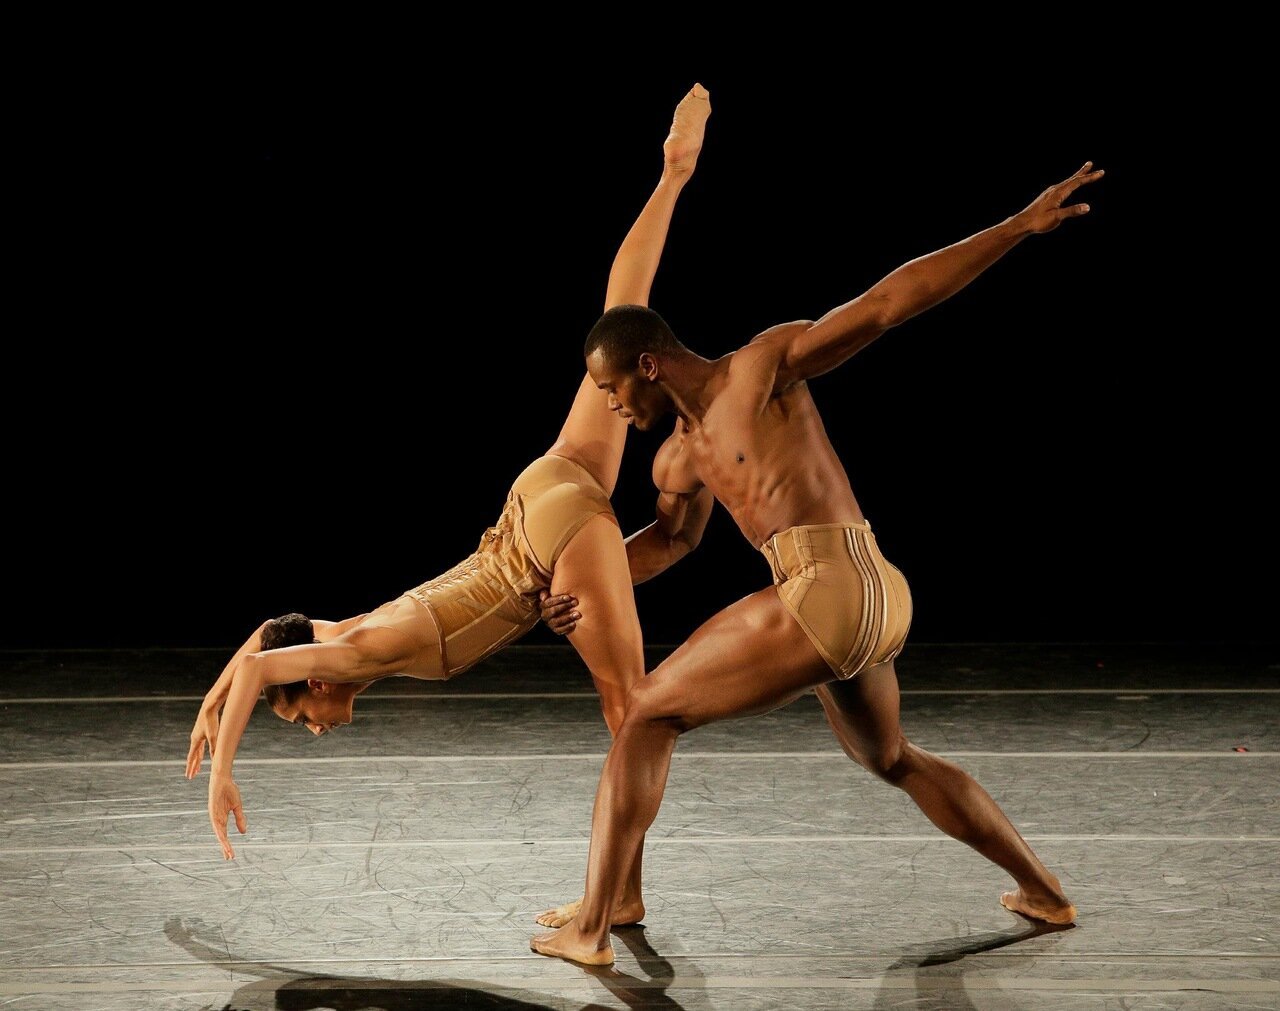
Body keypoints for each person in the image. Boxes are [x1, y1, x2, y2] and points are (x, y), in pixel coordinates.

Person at [530, 159, 1105, 965]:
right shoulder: (678, 460)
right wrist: (578, 586)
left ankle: (595, 924)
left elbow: (887, 303)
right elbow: (669, 542)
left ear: (648, 363)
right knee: (891, 756)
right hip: (870, 598)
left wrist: (1015, 227)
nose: (612, 405)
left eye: (612, 388)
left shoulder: (760, 369)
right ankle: (1046, 891)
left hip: (831, 584)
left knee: (646, 713)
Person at [186, 87, 715, 940]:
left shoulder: (358, 648)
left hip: (547, 537)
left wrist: (223, 767)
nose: (315, 729)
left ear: (316, 683)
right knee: (616, 319)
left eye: (302, 718)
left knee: (632, 712)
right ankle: (674, 173)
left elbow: (262, 665)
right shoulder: (343, 633)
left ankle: (616, 900)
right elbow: (268, 637)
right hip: (539, 493)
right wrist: (212, 703)